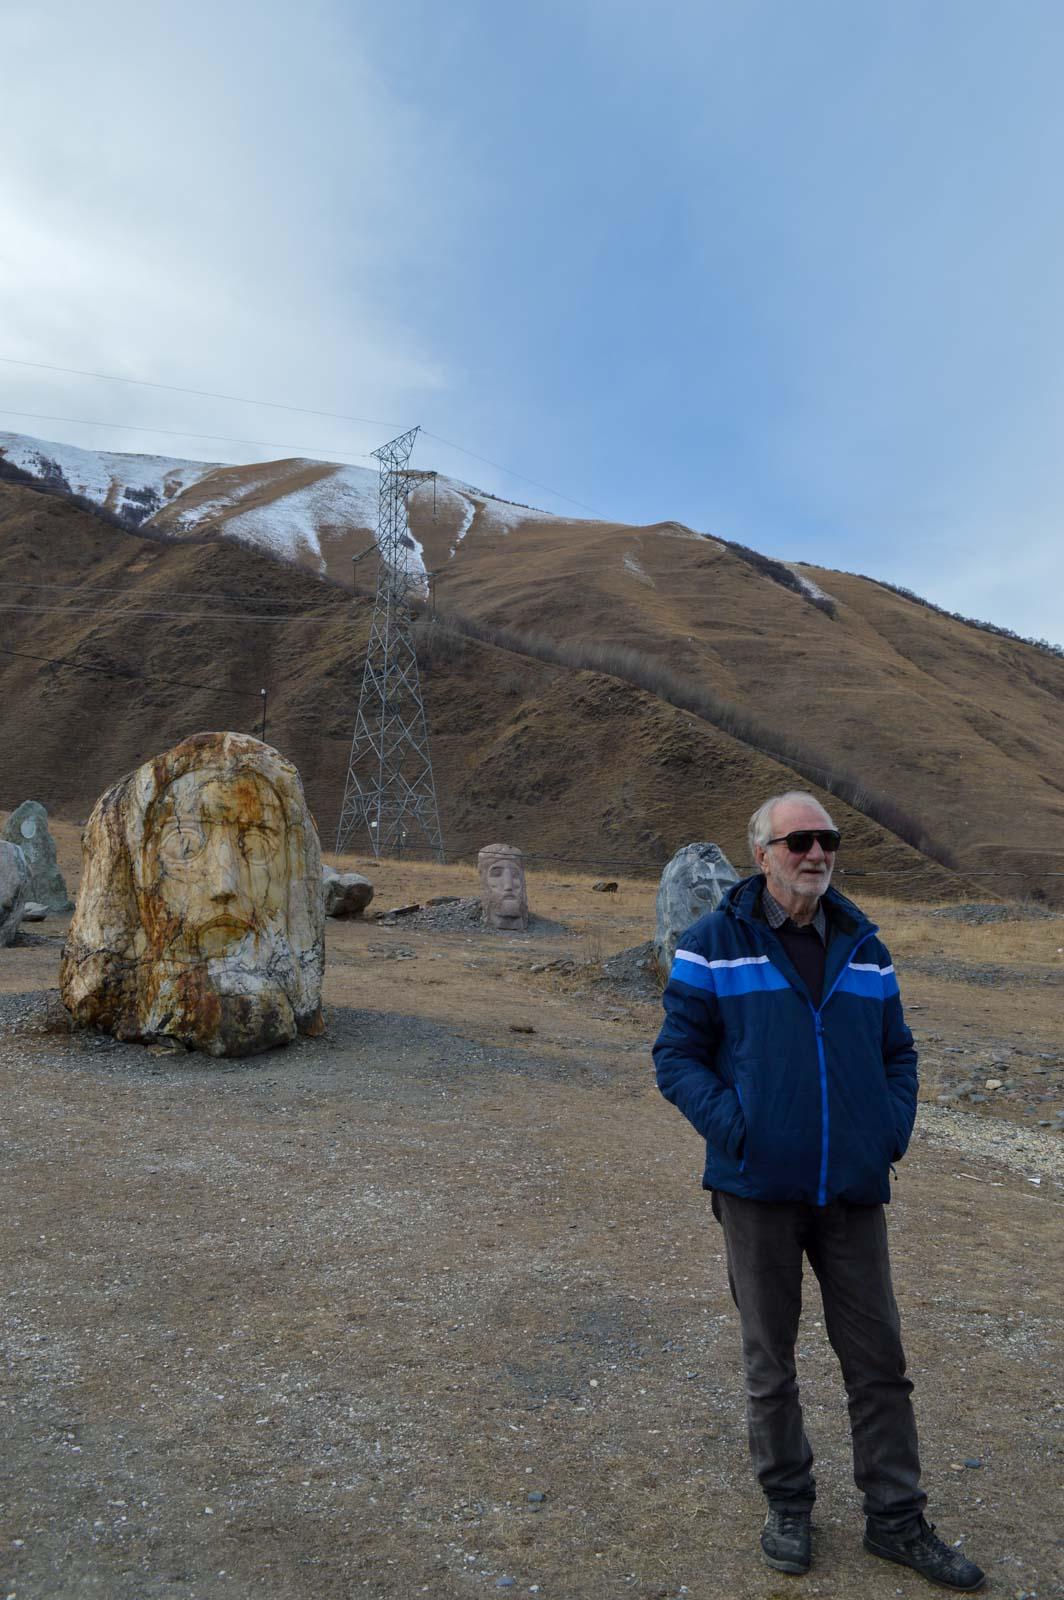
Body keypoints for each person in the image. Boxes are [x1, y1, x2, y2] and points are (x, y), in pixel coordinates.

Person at [653, 791, 985, 1591]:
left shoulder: (865, 946)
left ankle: (897, 1519)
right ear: (762, 853)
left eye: (827, 840)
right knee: (772, 1363)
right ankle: (789, 1504)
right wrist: (739, 1128)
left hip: (854, 1190)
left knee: (879, 1363)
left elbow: (898, 1054)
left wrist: (886, 1131)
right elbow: (677, 1057)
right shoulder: (712, 944)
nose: (816, 853)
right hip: (757, 1188)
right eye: (798, 840)